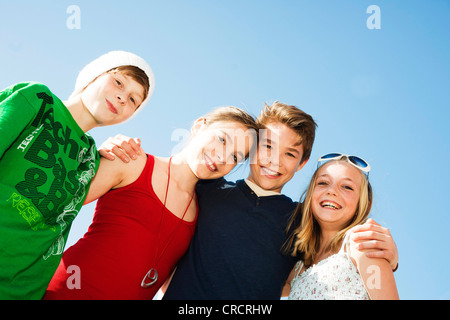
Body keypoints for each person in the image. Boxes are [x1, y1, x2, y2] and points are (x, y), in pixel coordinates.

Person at [102, 101, 398, 299]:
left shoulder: (301, 220)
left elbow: (331, 253)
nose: (274, 161)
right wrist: (121, 146)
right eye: (267, 146)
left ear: (303, 163)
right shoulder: (208, 189)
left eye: (290, 154)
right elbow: (167, 179)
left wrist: (390, 257)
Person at [44, 106, 258, 300]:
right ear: (200, 126)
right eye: (222, 139)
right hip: (64, 292)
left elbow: (172, 285)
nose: (222, 156)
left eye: (235, 157)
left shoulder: (202, 214)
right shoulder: (132, 160)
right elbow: (55, 205)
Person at [0, 50, 155, 299]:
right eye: (118, 82)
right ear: (93, 76)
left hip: (20, 291)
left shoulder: (92, 160)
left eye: (133, 100)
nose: (122, 97)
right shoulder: (38, 100)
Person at [284, 153, 399, 299]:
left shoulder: (362, 244)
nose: (331, 191)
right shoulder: (298, 268)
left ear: (363, 203)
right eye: (323, 183)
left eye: (347, 187)